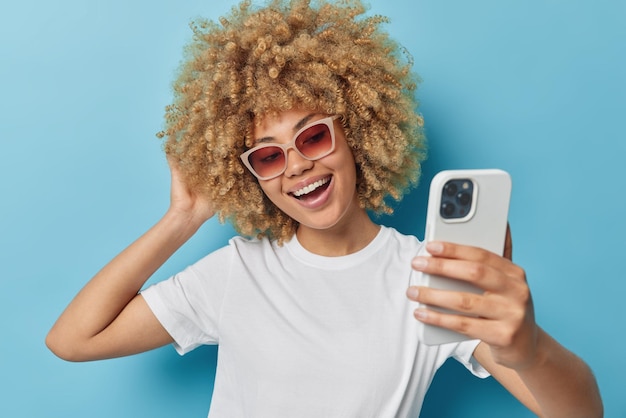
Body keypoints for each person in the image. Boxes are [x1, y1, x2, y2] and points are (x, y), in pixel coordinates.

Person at [46, 0, 603, 416]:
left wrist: (528, 347)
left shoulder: (428, 280)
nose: (295, 166)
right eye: (267, 155)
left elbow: (582, 412)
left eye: (312, 137)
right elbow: (72, 340)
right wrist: (183, 218)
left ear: (357, 132)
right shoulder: (237, 271)